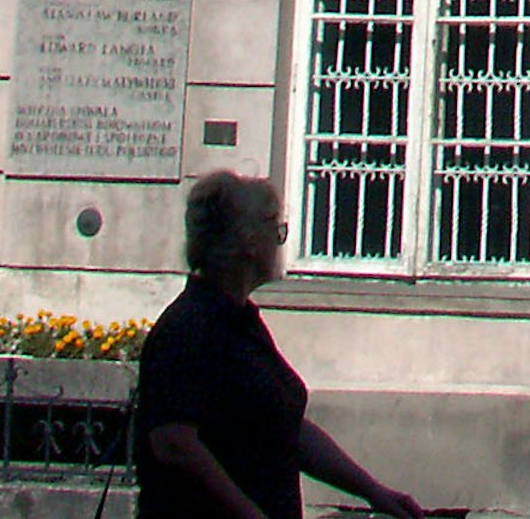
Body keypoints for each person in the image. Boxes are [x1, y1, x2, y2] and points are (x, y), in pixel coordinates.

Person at [134, 171, 426, 519]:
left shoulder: (241, 323)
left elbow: (285, 427)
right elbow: (174, 444)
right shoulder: (189, 328)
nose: (280, 241)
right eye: (277, 230)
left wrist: (372, 491)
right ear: (249, 242)